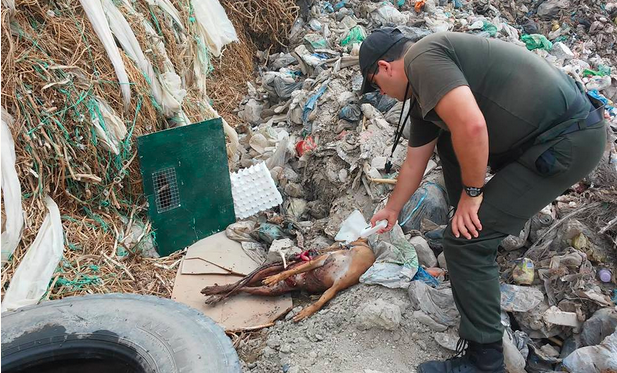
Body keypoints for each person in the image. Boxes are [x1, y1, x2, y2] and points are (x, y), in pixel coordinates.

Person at [359, 28, 607, 373]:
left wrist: (473, 196)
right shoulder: (422, 91)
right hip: (550, 137)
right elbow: (415, 160)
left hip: (565, 141)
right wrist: (392, 209)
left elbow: (473, 128)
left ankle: (484, 361)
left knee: (464, 244)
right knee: (447, 140)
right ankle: (470, 224)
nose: (380, 93)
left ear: (385, 67)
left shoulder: (422, 60)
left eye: (375, 84)